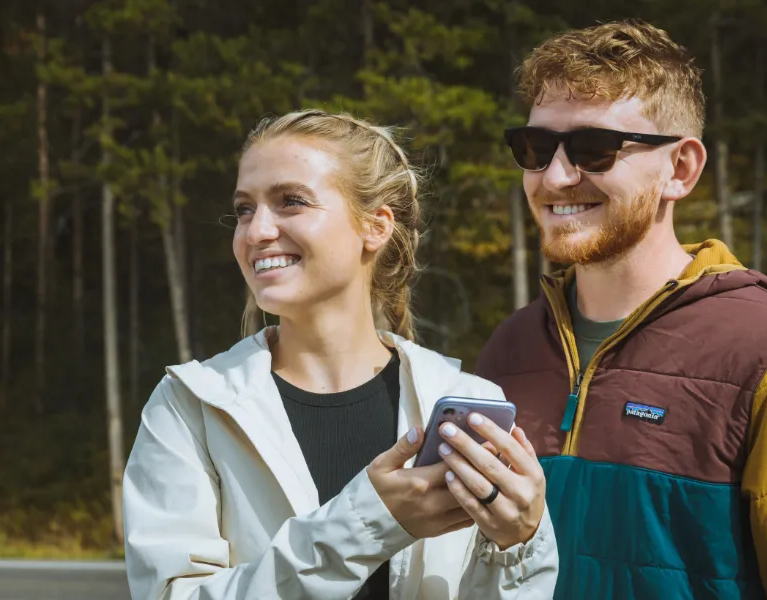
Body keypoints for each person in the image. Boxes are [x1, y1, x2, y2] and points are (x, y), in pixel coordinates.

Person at [476, 20, 767, 600]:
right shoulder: (507, 351)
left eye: (594, 149)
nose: (555, 177)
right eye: (535, 149)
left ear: (680, 170)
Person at [122, 109, 558, 600]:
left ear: (375, 227)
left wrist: (520, 544)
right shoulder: (190, 406)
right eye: (245, 209)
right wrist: (368, 522)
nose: (256, 231)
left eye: (290, 202)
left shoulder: (464, 402)